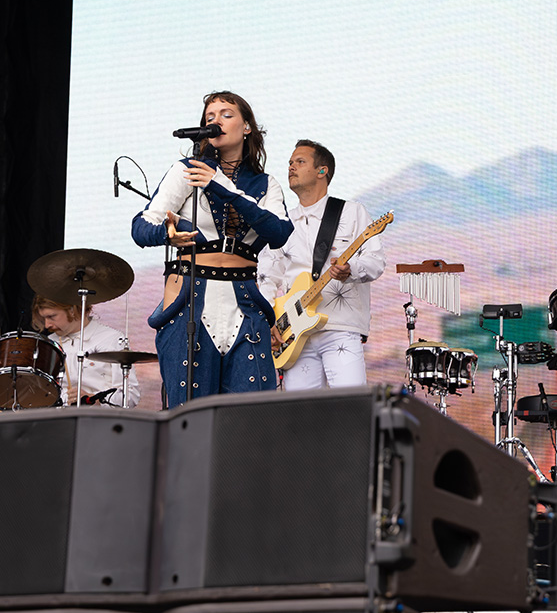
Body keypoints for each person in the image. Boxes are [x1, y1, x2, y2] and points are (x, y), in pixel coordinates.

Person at [131, 91, 293, 408]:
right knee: (188, 416)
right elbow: (140, 227)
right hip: (189, 301)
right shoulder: (186, 171)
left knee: (251, 419)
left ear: (247, 127)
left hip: (245, 305)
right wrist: (167, 234)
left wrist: (222, 187)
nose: (215, 120)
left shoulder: (266, 183)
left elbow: (279, 233)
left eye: (226, 114)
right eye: (209, 117)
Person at [258, 140, 384, 390]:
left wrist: (350, 270)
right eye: (290, 163)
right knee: (302, 417)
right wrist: (268, 319)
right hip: (293, 336)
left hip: (340, 327)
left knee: (350, 408)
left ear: (322, 170)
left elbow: (376, 261)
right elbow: (266, 276)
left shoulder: (351, 212)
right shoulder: (282, 223)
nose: (292, 167)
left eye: (300, 161)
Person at [32, 294, 140, 407]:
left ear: (72, 310)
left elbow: (130, 395)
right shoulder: (48, 343)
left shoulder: (111, 339)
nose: (47, 325)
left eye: (52, 316)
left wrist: (94, 400)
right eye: (44, 318)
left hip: (101, 420)